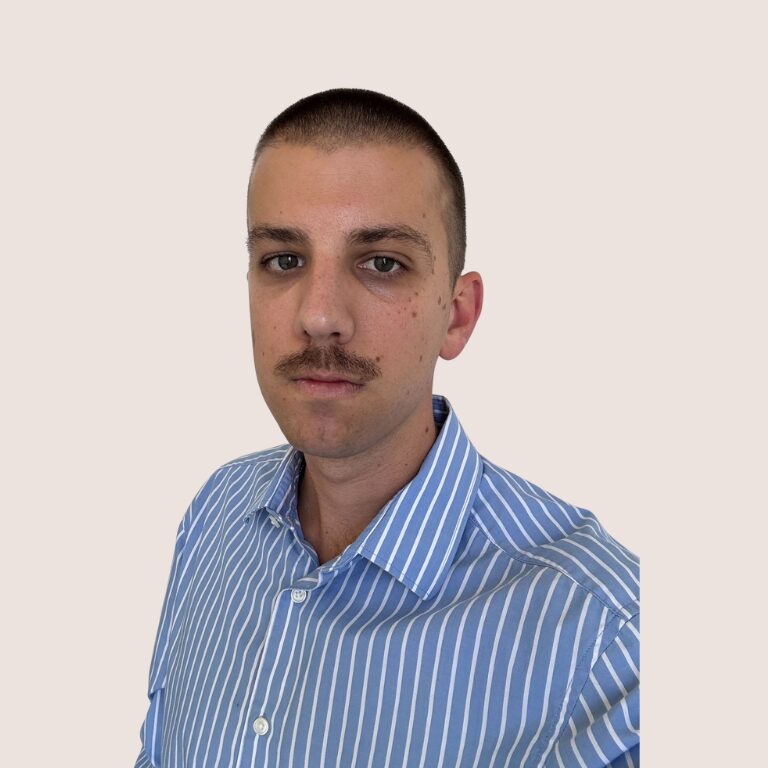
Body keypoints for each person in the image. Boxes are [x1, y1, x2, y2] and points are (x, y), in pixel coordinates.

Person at [134, 88, 640, 768]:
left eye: (381, 263)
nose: (319, 317)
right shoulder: (215, 519)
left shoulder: (606, 638)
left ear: (457, 315)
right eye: (283, 259)